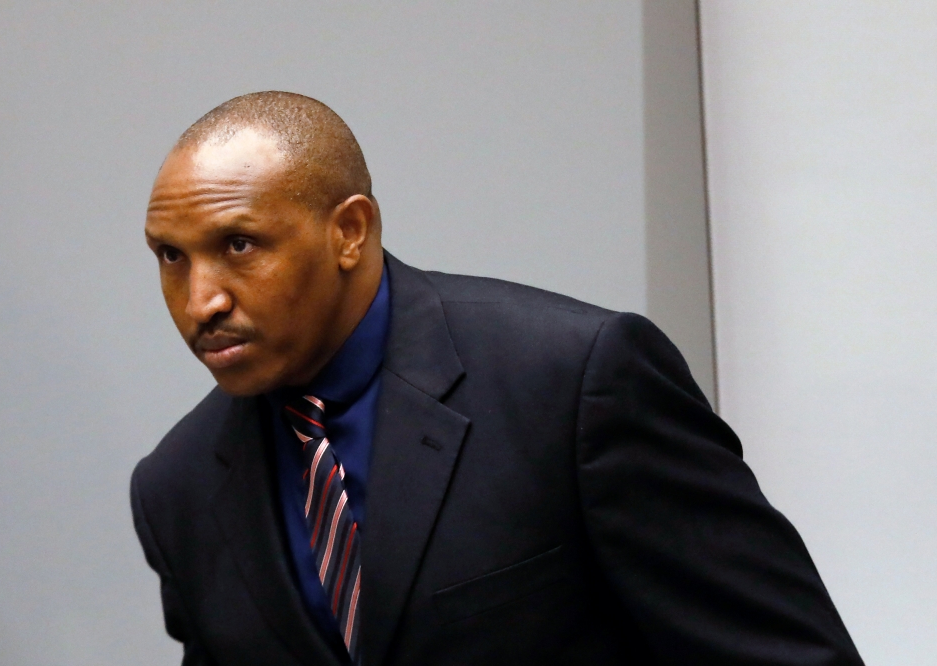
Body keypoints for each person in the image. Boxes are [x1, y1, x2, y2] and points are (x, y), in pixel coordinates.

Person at [131, 91, 863, 666]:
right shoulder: (177, 488)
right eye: (171, 256)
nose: (201, 301)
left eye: (239, 244)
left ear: (349, 231)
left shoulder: (573, 382)